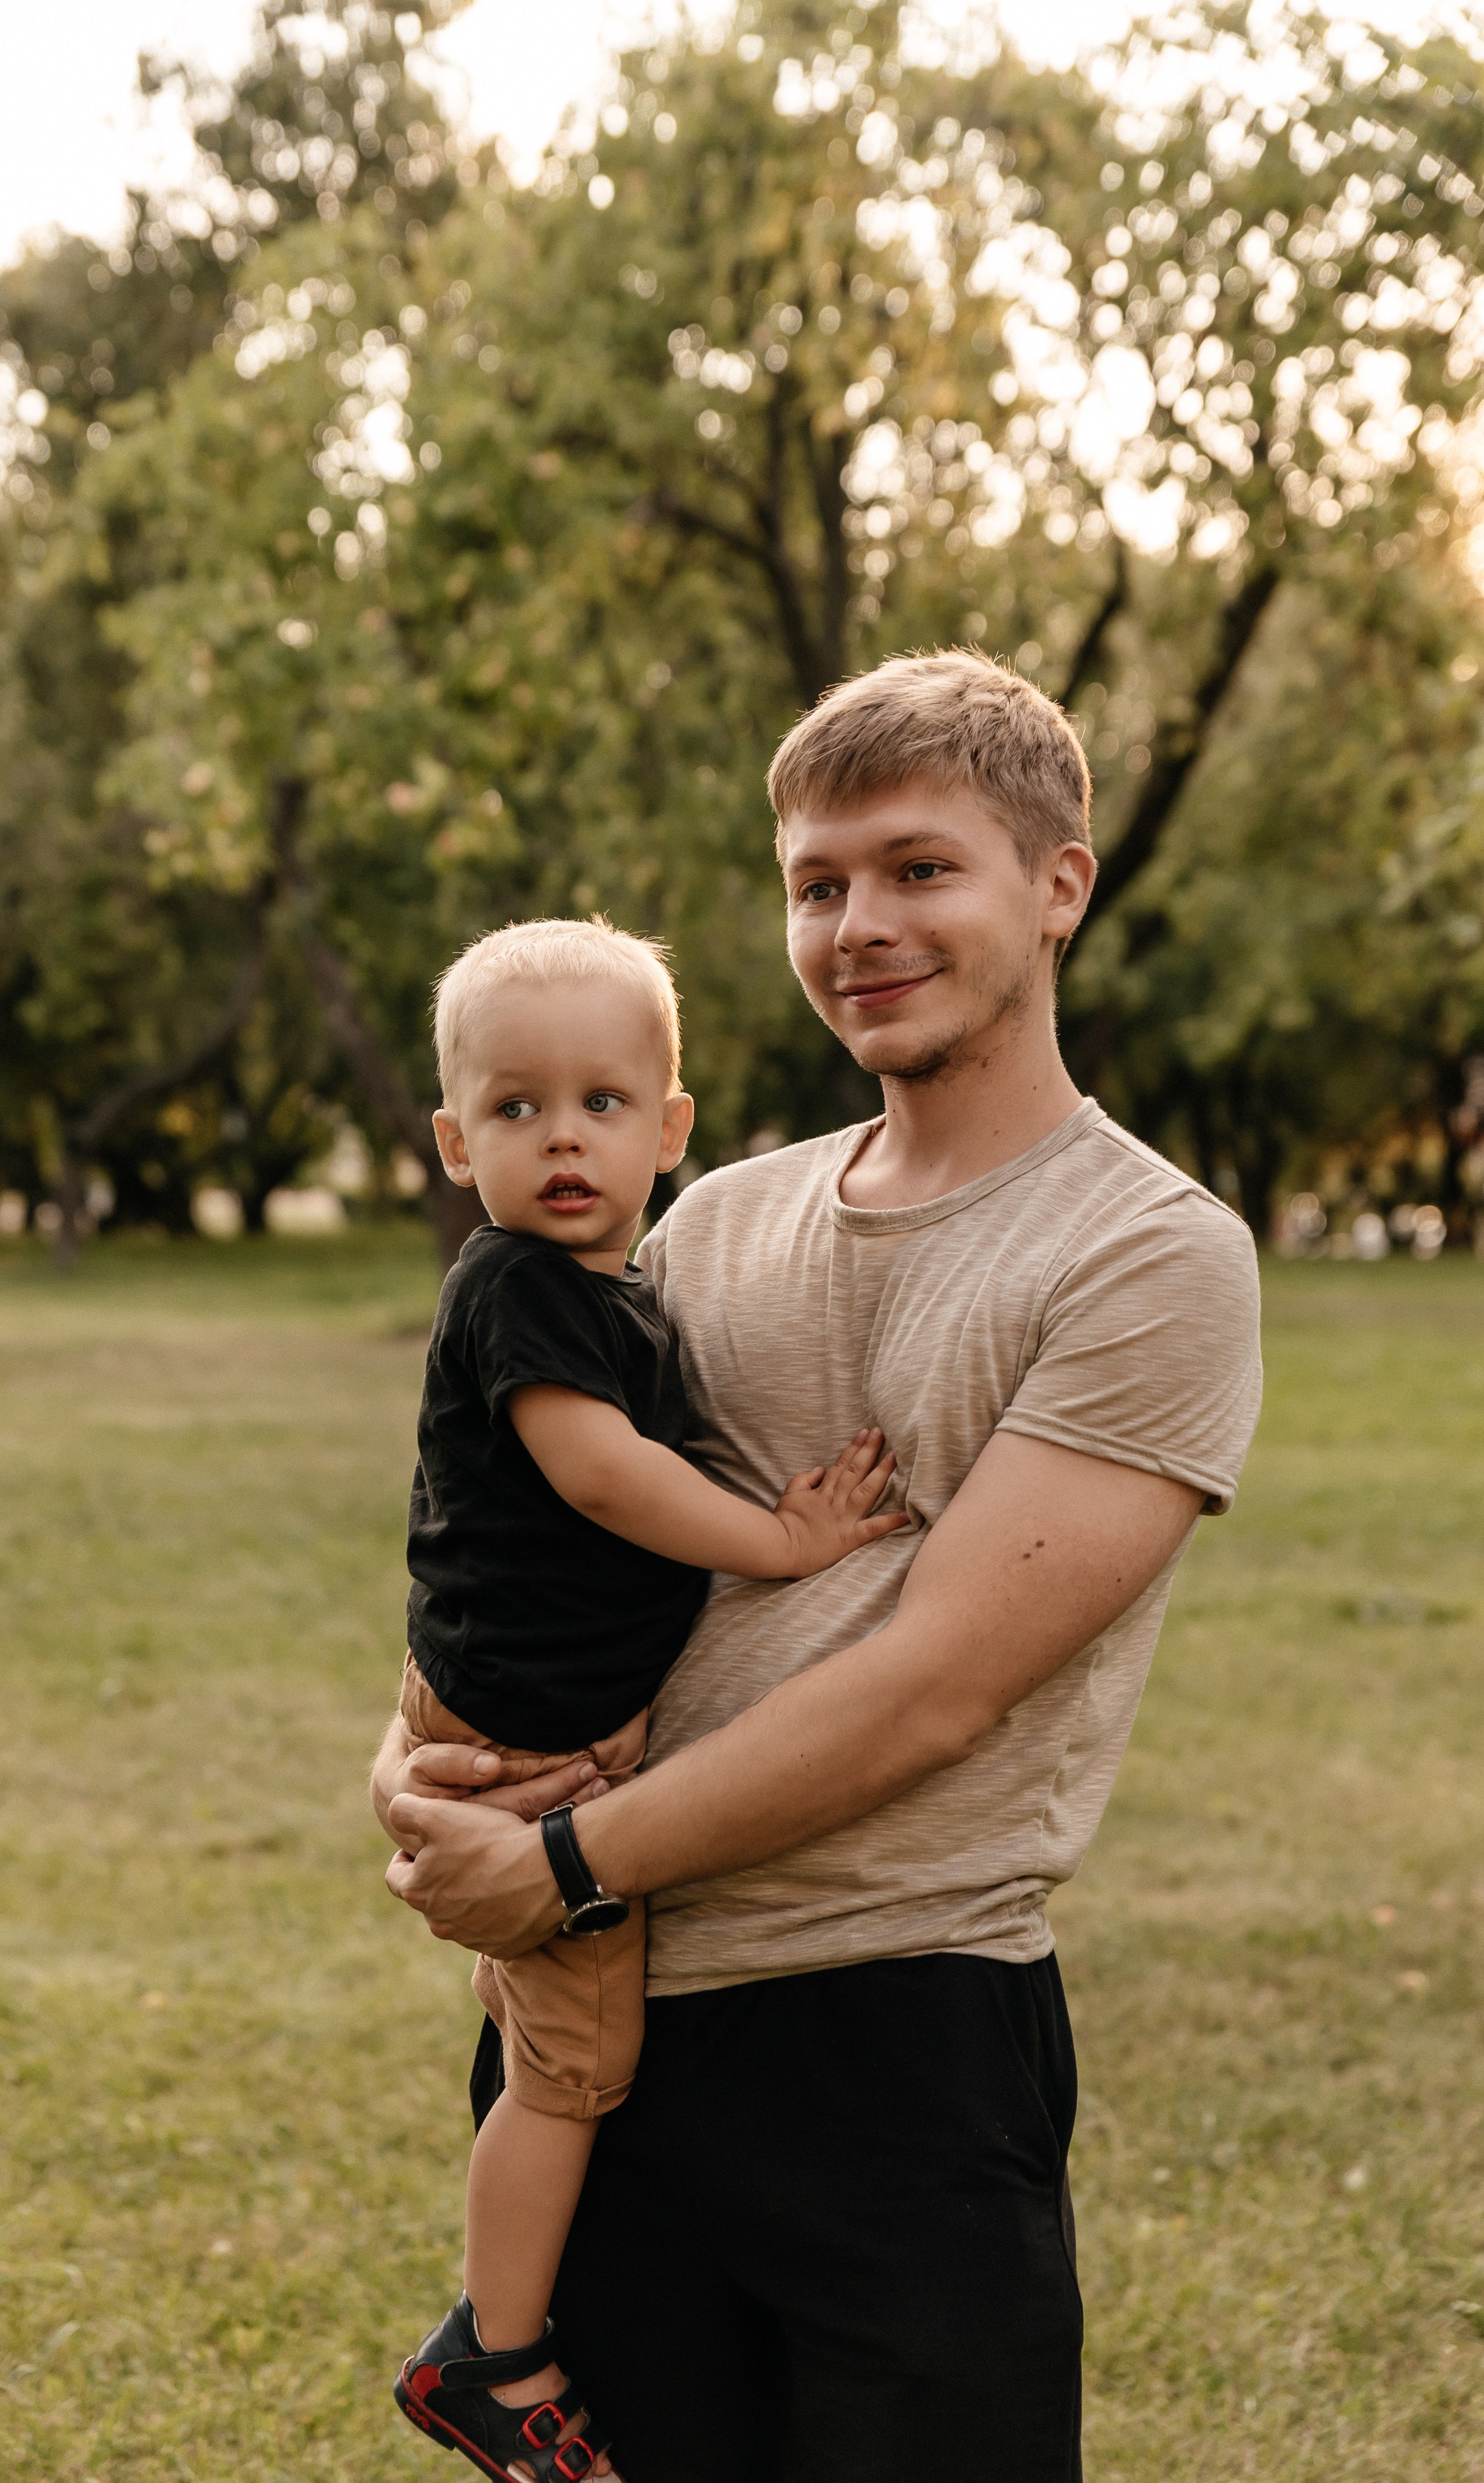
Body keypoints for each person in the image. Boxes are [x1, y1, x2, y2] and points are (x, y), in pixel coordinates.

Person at [376, 650, 1264, 2483]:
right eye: (817, 882)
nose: (860, 923)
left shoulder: (1150, 1254)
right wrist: (411, 1764)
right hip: (615, 2015)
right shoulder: (710, 1221)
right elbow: (522, 1527)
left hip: (896, 2034)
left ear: (1059, 884)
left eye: (920, 868)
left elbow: (940, 1684)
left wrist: (551, 1860)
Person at [389, 916, 907, 2483]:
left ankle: (503, 2322)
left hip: (514, 1708)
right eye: (515, 1108)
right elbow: (603, 1480)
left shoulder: (604, 1288)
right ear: (451, 1140)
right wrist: (783, 1541)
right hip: (535, 1753)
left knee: (542, 2030)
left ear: (670, 1127)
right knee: (573, 2065)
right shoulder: (524, 1293)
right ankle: (494, 2354)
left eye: (603, 1104)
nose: (561, 1137)